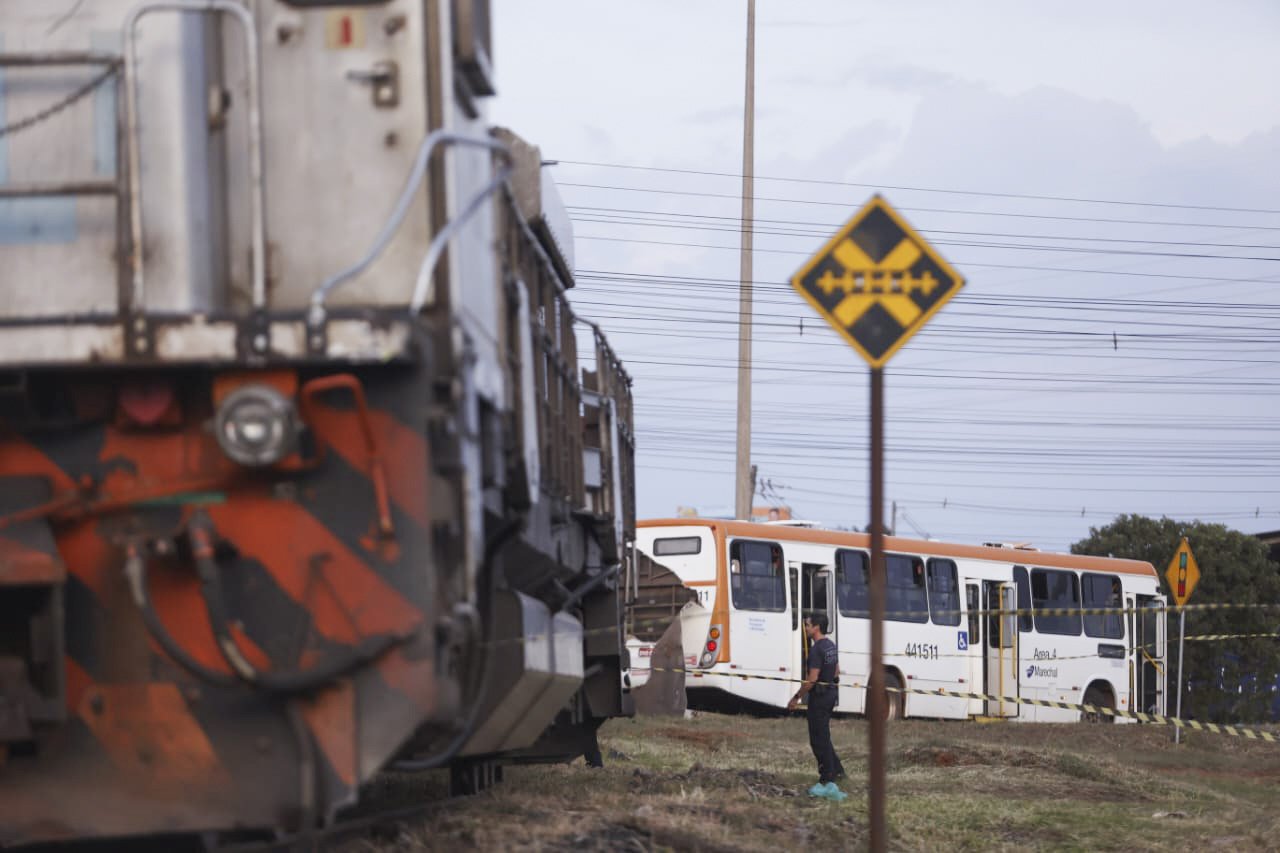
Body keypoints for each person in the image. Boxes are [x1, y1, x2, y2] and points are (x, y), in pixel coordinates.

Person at [788, 615, 847, 801]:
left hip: (819, 698)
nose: (805, 628)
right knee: (824, 735)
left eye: (807, 625)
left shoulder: (816, 650)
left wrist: (796, 697)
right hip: (830, 693)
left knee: (818, 740)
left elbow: (812, 679)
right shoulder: (830, 645)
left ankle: (827, 779)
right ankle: (838, 771)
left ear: (816, 627)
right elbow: (836, 671)